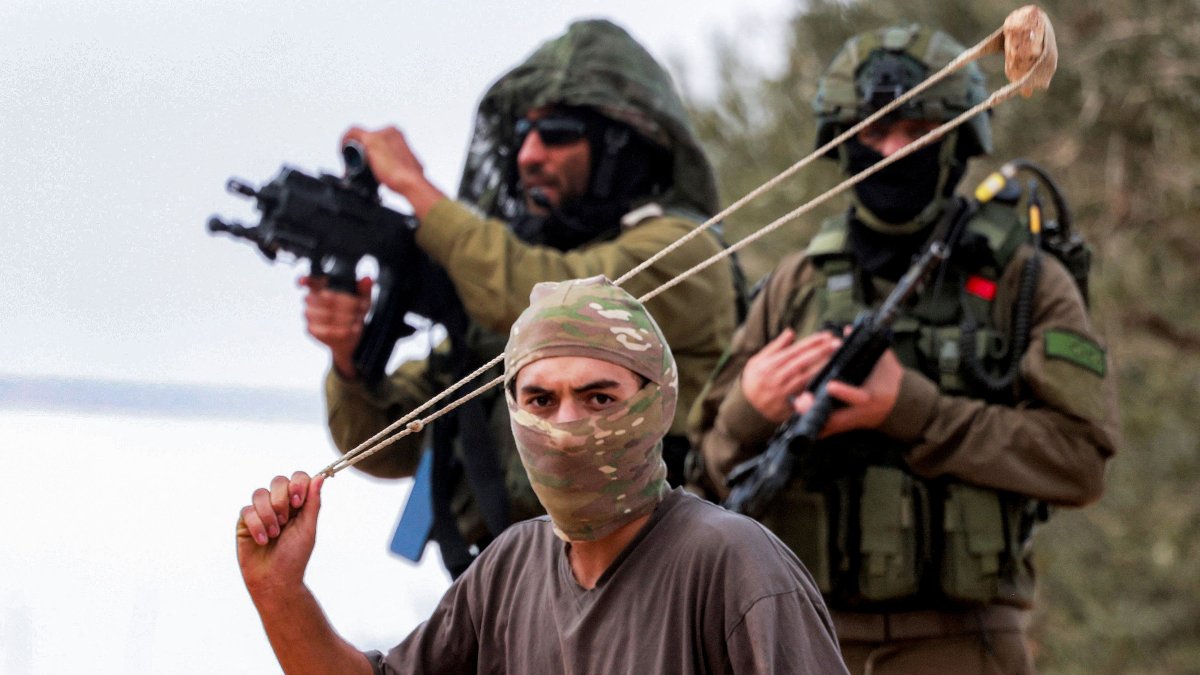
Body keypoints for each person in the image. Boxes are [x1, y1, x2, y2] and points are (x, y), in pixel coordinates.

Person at [688, 23, 1119, 674]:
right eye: (874, 132)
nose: (894, 151)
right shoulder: (795, 286)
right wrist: (748, 411)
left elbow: (1081, 462)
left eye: (918, 131)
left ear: (958, 139)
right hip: (800, 636)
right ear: (842, 142)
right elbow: (700, 487)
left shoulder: (1023, 279)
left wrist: (914, 411)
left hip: (964, 644)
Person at [303, 19, 741, 577]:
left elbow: (555, 300)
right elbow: (383, 446)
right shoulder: (509, 294)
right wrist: (348, 359)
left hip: (650, 581)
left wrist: (415, 187)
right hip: (513, 595)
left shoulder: (679, 250)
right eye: (522, 138)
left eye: (556, 134)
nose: (529, 155)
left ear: (618, 146)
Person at [238, 276, 848, 674]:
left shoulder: (732, 563)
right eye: (541, 401)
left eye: (600, 398)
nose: (566, 426)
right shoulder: (509, 569)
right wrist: (279, 594)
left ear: (659, 402)